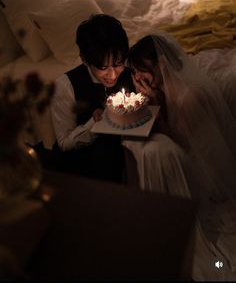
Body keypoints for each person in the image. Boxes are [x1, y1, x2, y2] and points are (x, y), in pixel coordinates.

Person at [123, 33, 236, 280]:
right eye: (134, 73)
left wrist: (152, 102)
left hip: (202, 176)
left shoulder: (189, 97)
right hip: (188, 159)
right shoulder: (166, 90)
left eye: (142, 71)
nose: (138, 78)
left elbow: (181, 148)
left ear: (161, 65)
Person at [50, 14, 135, 183]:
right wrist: (95, 123)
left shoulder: (131, 69)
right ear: (84, 59)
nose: (112, 75)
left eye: (118, 64)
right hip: (92, 164)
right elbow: (64, 143)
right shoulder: (65, 86)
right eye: (102, 67)